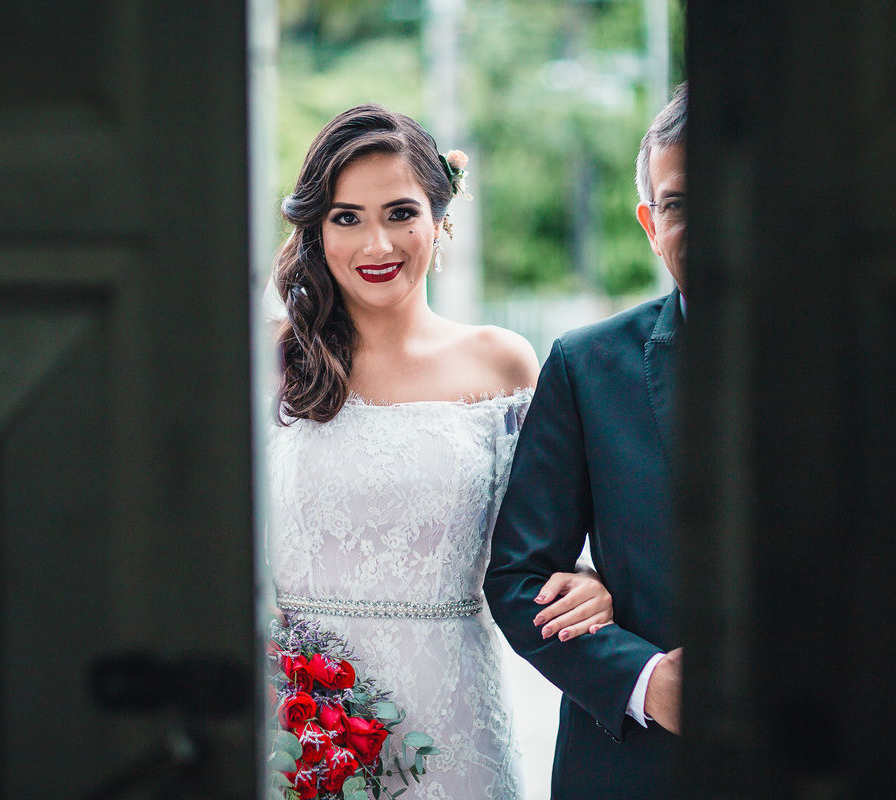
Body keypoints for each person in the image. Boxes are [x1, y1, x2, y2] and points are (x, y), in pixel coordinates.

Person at [267, 104, 616, 799]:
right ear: (315, 228)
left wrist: (592, 583)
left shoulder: (502, 362)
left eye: (400, 213)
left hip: (456, 716)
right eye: (347, 217)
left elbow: (542, 540)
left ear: (440, 218)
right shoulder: (270, 357)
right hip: (294, 720)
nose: (377, 244)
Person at [484, 82, 689, 798]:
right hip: (635, 768)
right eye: (680, 203)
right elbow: (516, 576)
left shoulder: (872, 354)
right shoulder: (585, 365)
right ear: (649, 223)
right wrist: (645, 679)